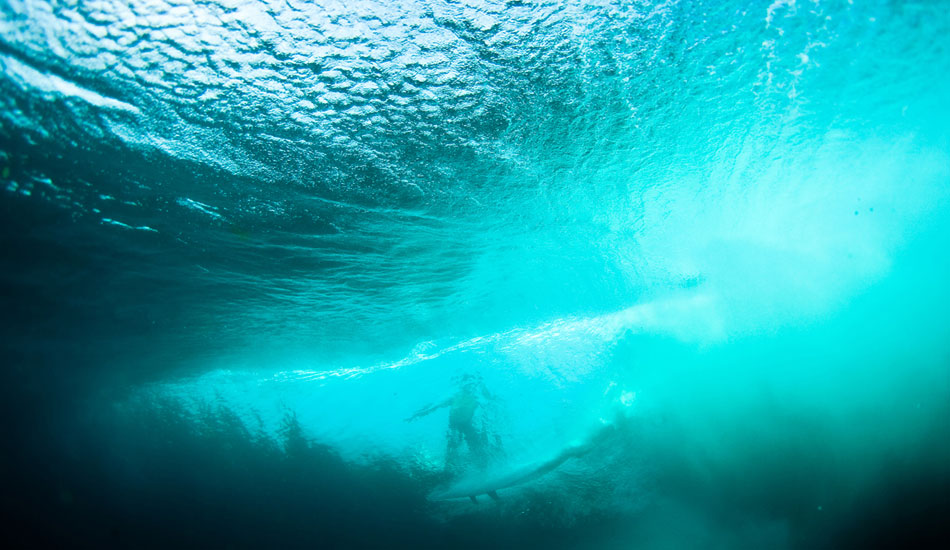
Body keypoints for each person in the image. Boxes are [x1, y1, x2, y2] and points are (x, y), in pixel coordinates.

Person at [407, 373, 494, 475]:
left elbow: (488, 401)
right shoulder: (455, 395)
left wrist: (483, 385)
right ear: (462, 385)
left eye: (472, 384)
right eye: (467, 384)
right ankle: (449, 469)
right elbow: (434, 405)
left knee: (475, 445)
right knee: (453, 446)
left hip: (467, 424)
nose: (471, 386)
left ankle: (481, 468)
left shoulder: (476, 396)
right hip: (454, 426)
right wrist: (417, 414)